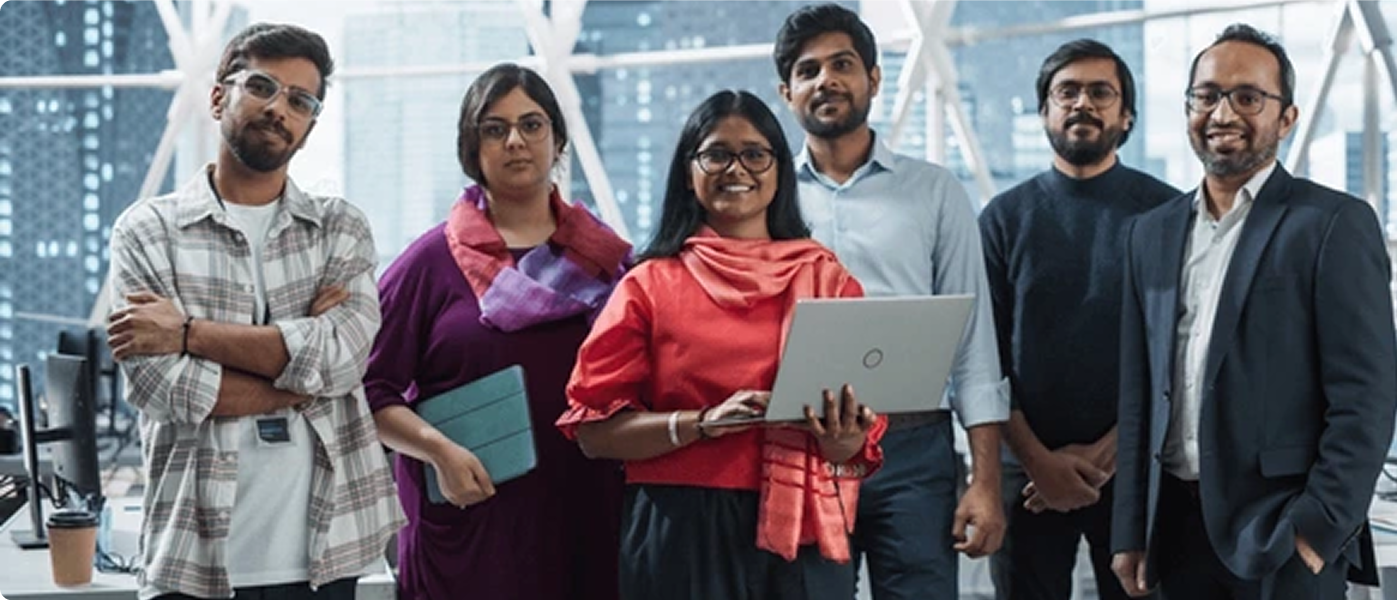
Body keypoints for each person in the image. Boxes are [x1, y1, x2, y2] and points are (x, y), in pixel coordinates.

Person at [104, 23, 404, 600]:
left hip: (328, 548)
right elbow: (165, 389)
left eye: (299, 100)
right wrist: (306, 373)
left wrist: (188, 333)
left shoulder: (339, 226)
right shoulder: (148, 231)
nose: (278, 108)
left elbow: (344, 361)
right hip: (194, 554)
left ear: (310, 126)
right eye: (262, 86)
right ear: (219, 96)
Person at [558, 89, 888, 600]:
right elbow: (594, 433)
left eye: (756, 153)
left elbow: (853, 450)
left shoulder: (828, 279)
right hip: (681, 529)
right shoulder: (648, 285)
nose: (738, 168)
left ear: (779, 170)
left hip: (804, 534)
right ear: (689, 173)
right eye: (716, 153)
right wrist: (704, 424)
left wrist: (842, 439)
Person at [1110, 23, 1397, 600]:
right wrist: (1129, 530)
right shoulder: (1151, 234)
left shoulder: (1331, 225)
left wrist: (1316, 530)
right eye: (1208, 95)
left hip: (1280, 535)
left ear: (1285, 118)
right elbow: (1139, 394)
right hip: (1174, 533)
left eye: (1247, 97)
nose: (1223, 112)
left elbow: (1366, 397)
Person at [361, 63, 630, 600]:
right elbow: (368, 393)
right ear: (472, 146)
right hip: (470, 526)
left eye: (532, 125)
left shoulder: (612, 262)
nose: (515, 141)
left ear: (557, 139)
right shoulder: (428, 264)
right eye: (494, 127)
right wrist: (439, 451)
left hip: (589, 519)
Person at [773, 5, 1010, 598]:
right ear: (787, 92)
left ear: (874, 79)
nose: (825, 80)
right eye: (808, 71)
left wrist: (985, 481)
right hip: (804, 445)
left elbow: (974, 347)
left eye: (842, 65)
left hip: (913, 450)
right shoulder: (767, 198)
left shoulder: (934, 192)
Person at [979, 39, 1178, 600]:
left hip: (1136, 469)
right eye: (1066, 91)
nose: (1081, 103)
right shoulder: (1002, 219)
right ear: (1045, 111)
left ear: (1126, 115)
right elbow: (982, 357)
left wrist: (1104, 457)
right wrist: (1040, 463)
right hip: (1028, 473)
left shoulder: (1165, 214)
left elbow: (1177, 352)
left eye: (1100, 92)